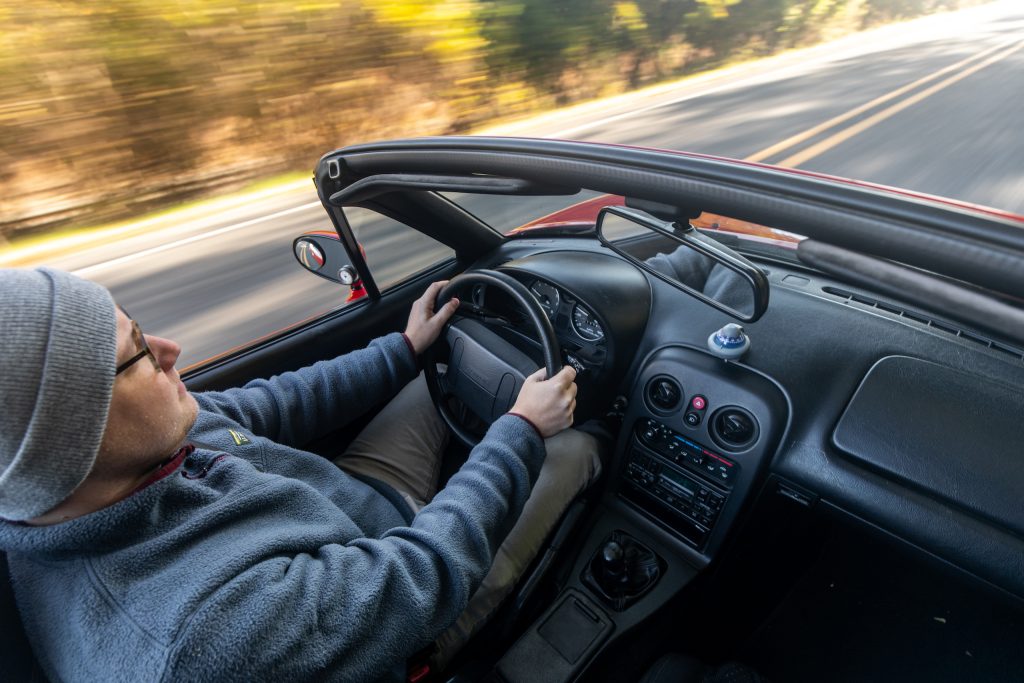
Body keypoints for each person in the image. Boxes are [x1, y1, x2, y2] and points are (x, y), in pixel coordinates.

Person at [0, 267, 603, 682]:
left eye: (135, 321)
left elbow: (281, 400)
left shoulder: (128, 449)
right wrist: (521, 429)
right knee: (578, 446)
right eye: (136, 350)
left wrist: (405, 349)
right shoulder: (199, 641)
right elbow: (421, 574)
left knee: (441, 380)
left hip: (352, 506)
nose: (169, 349)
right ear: (73, 432)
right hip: (411, 608)